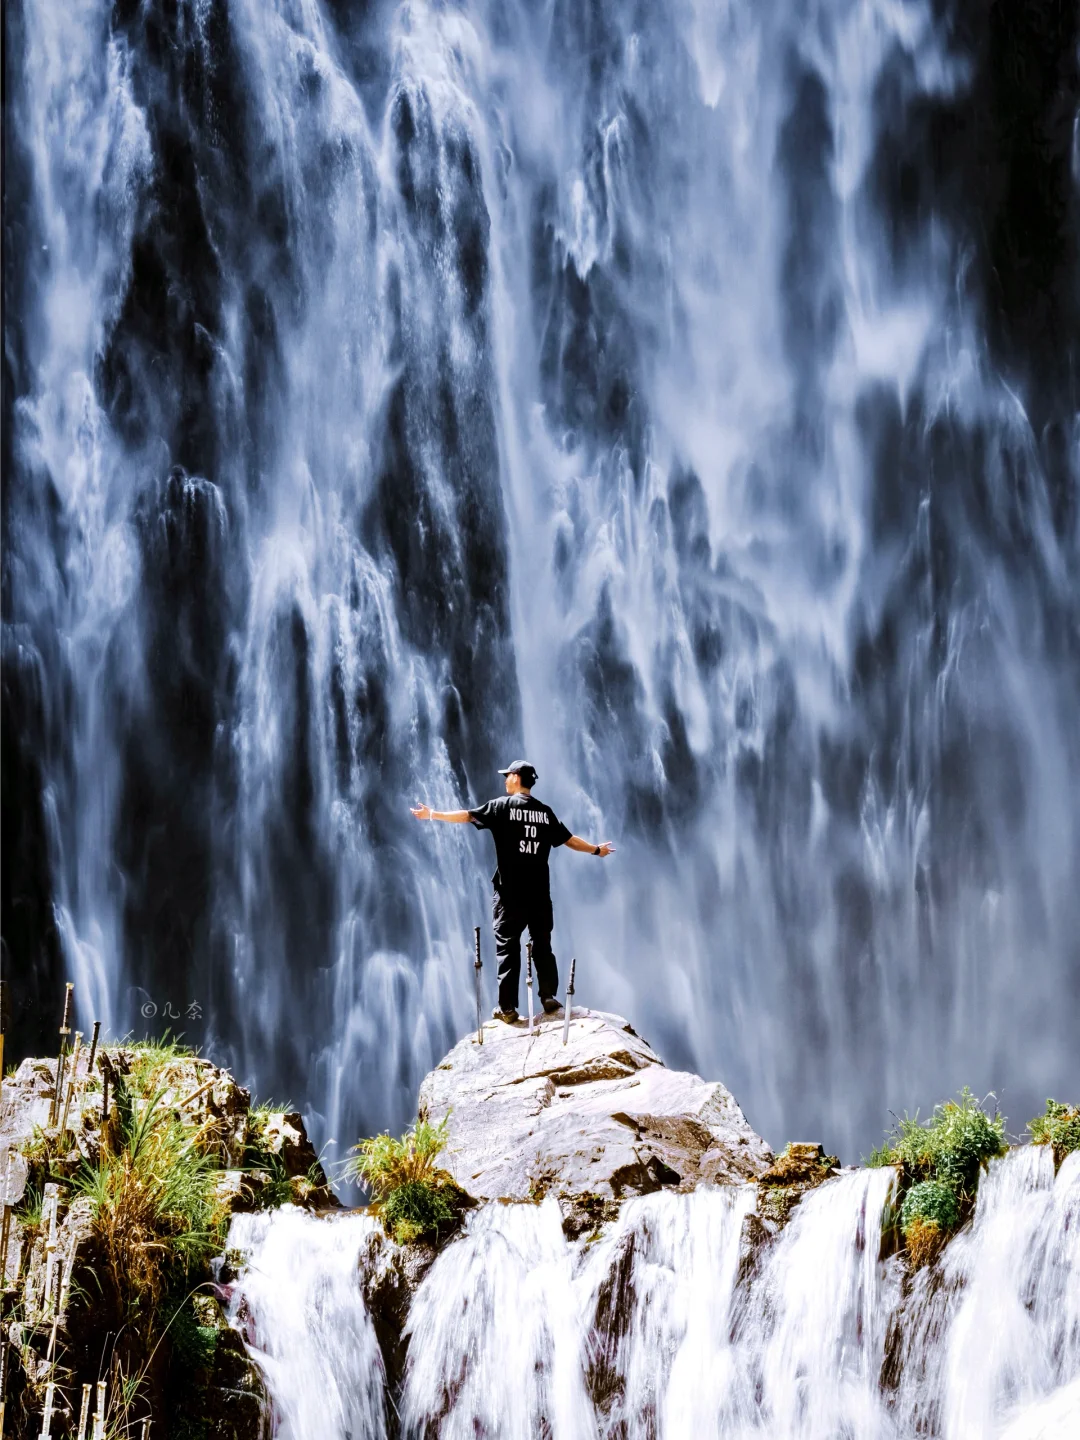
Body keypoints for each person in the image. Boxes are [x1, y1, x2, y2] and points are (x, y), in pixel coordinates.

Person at [410, 761, 615, 1022]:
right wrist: (597, 850)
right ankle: (548, 996)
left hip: (510, 894)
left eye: (507, 776)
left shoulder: (501, 807)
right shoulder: (545, 812)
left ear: (517, 778)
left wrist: (432, 814)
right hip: (539, 893)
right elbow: (569, 840)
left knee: (507, 947)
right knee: (543, 944)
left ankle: (507, 1008)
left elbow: (467, 815)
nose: (505, 780)